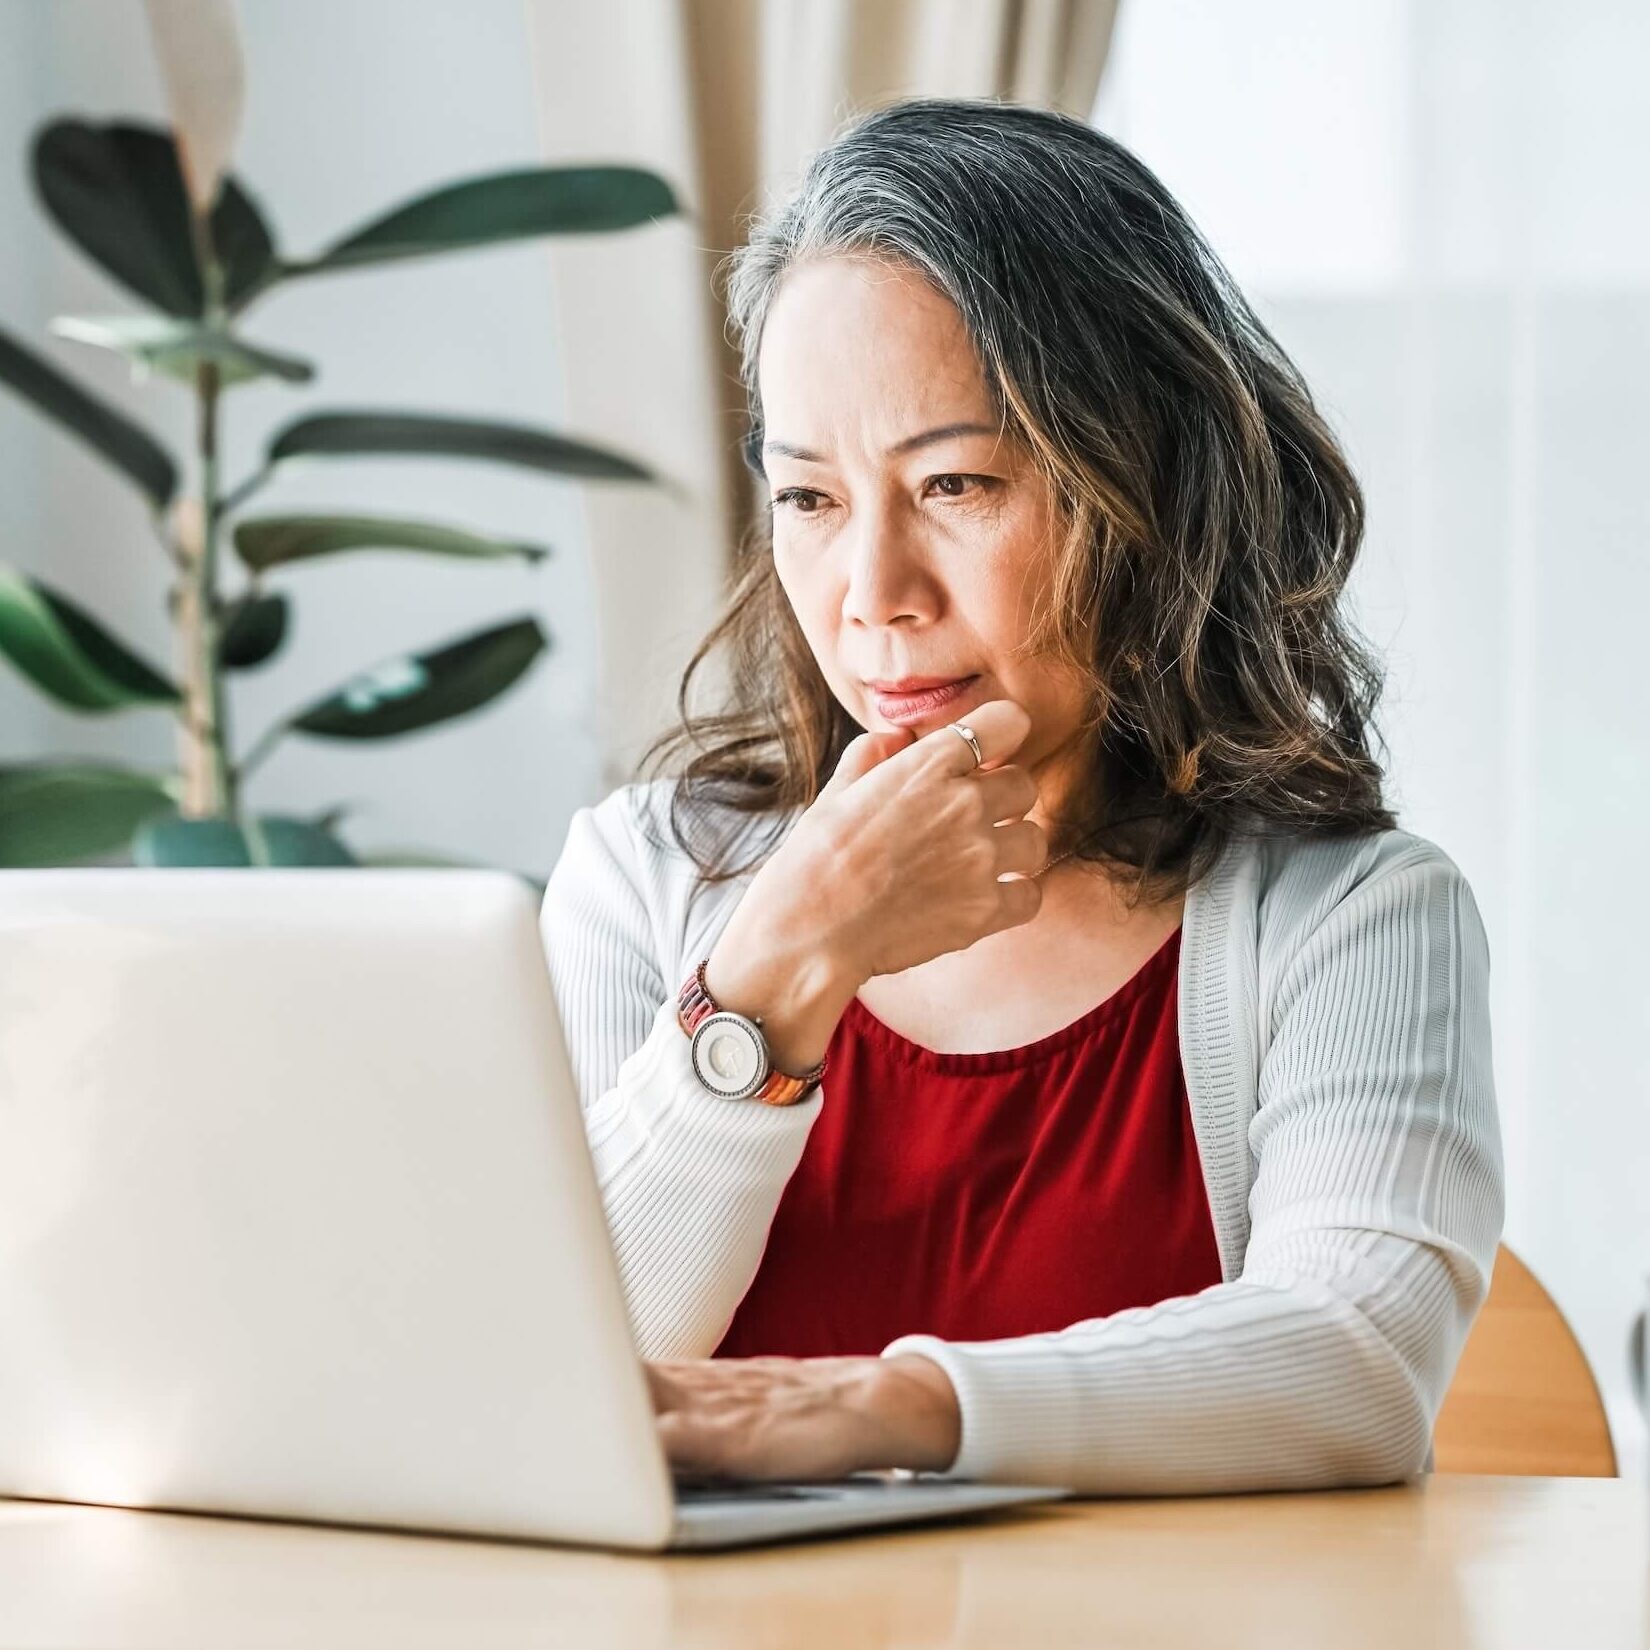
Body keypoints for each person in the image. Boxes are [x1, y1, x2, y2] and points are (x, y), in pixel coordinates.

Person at [540, 98, 1504, 1494]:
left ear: (1145, 491)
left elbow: (1355, 1358)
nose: (871, 596)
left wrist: (883, 1407)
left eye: (955, 482)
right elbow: (562, 1368)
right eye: (808, 498)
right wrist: (772, 972)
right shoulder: (645, 875)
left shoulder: (1346, 914)